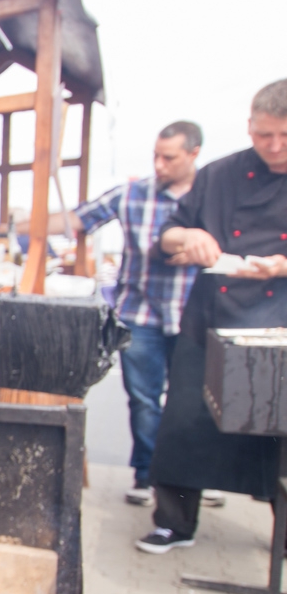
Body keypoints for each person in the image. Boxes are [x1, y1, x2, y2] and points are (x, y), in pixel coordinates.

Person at [135, 79, 287, 553]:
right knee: (184, 423)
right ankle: (174, 523)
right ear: (249, 126)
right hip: (210, 317)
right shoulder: (219, 175)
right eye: (265, 135)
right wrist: (188, 237)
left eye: (284, 136)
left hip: (276, 321)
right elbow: (165, 235)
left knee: (279, 430)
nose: (275, 146)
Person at [21, 122, 204, 506]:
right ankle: (146, 475)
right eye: (156, 154)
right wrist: (23, 225)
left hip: (193, 316)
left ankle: (192, 479)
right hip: (141, 315)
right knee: (144, 400)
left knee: (191, 404)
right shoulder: (133, 195)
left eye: (168, 157)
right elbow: (78, 218)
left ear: (193, 154)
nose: (159, 164)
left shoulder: (210, 195)